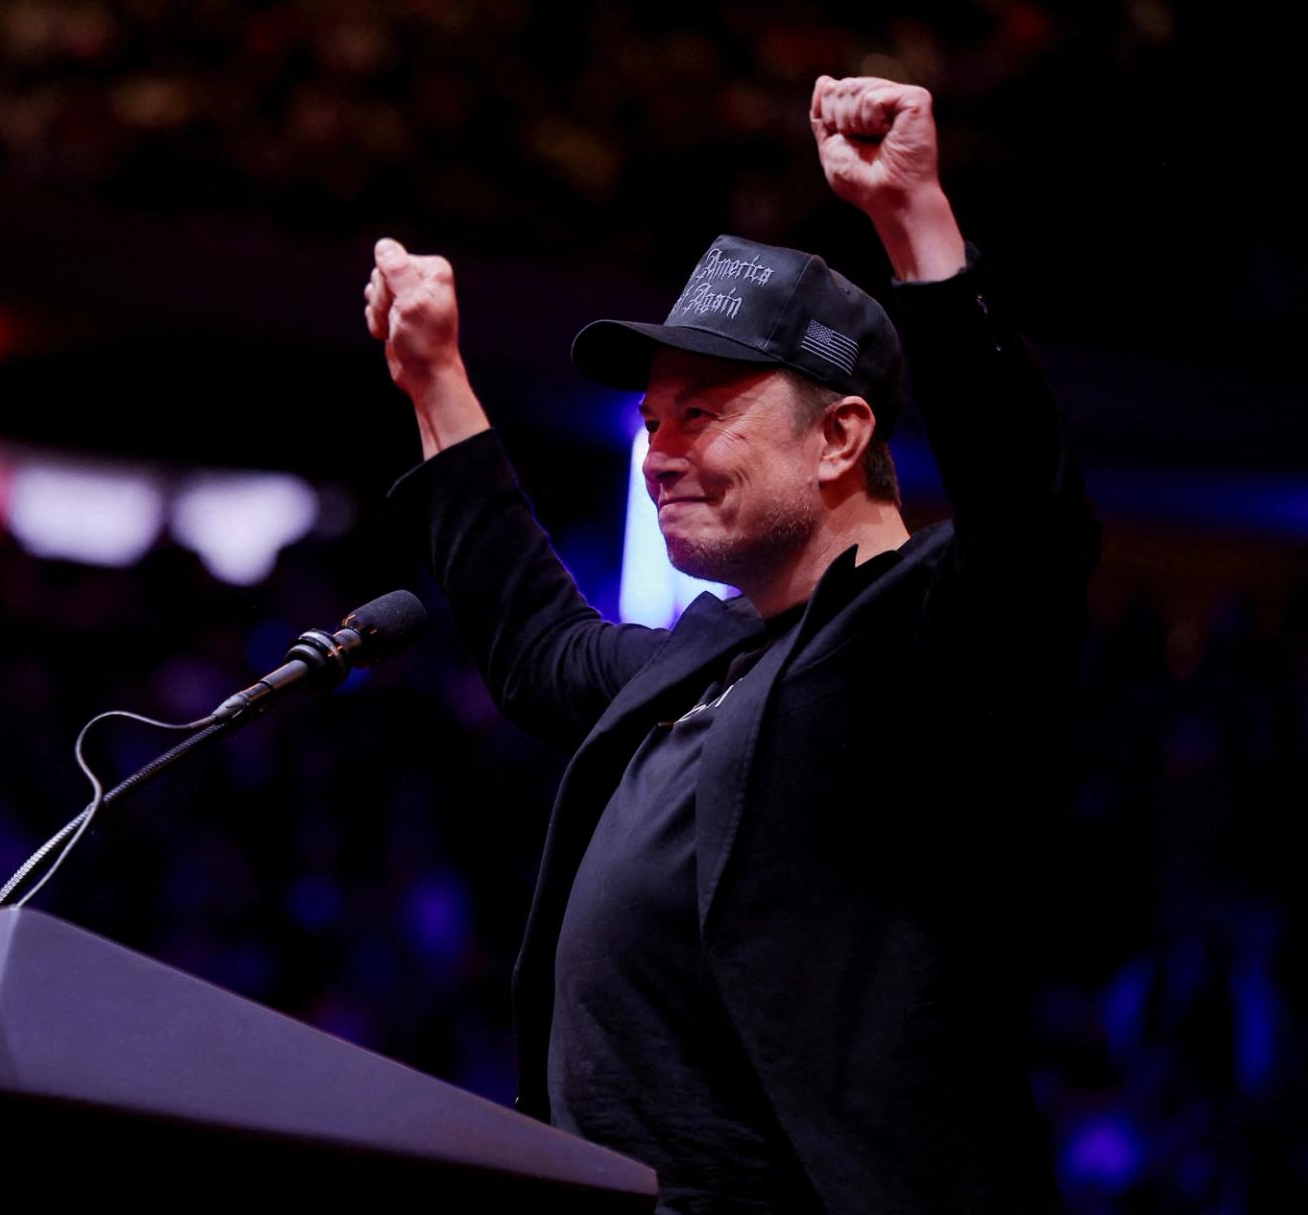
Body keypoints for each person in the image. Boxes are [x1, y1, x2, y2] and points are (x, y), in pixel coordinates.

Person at [363, 76, 1099, 1213]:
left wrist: (914, 219)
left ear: (841, 436)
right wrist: (435, 381)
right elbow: (538, 647)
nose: (656, 451)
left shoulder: (936, 629)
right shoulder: (704, 651)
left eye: (702, 411)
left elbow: (1031, 517)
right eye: (652, 420)